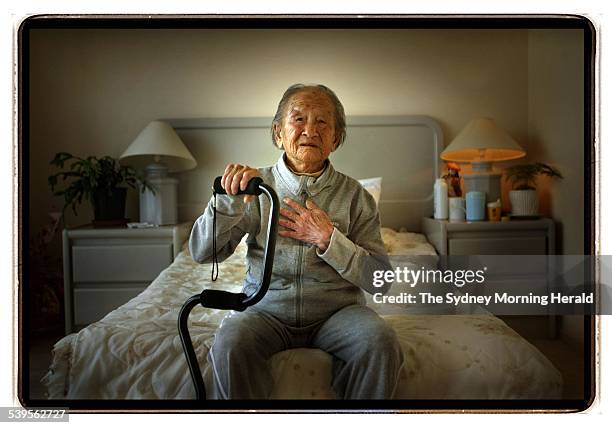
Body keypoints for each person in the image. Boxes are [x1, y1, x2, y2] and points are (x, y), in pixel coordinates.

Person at [189, 83, 404, 399]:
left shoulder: (357, 197)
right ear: (278, 132)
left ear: (335, 139)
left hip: (338, 313)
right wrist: (227, 202)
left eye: (322, 122)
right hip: (264, 310)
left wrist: (329, 239)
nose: (310, 130)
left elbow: (381, 280)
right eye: (299, 119)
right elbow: (201, 253)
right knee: (231, 343)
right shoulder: (253, 188)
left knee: (382, 342)